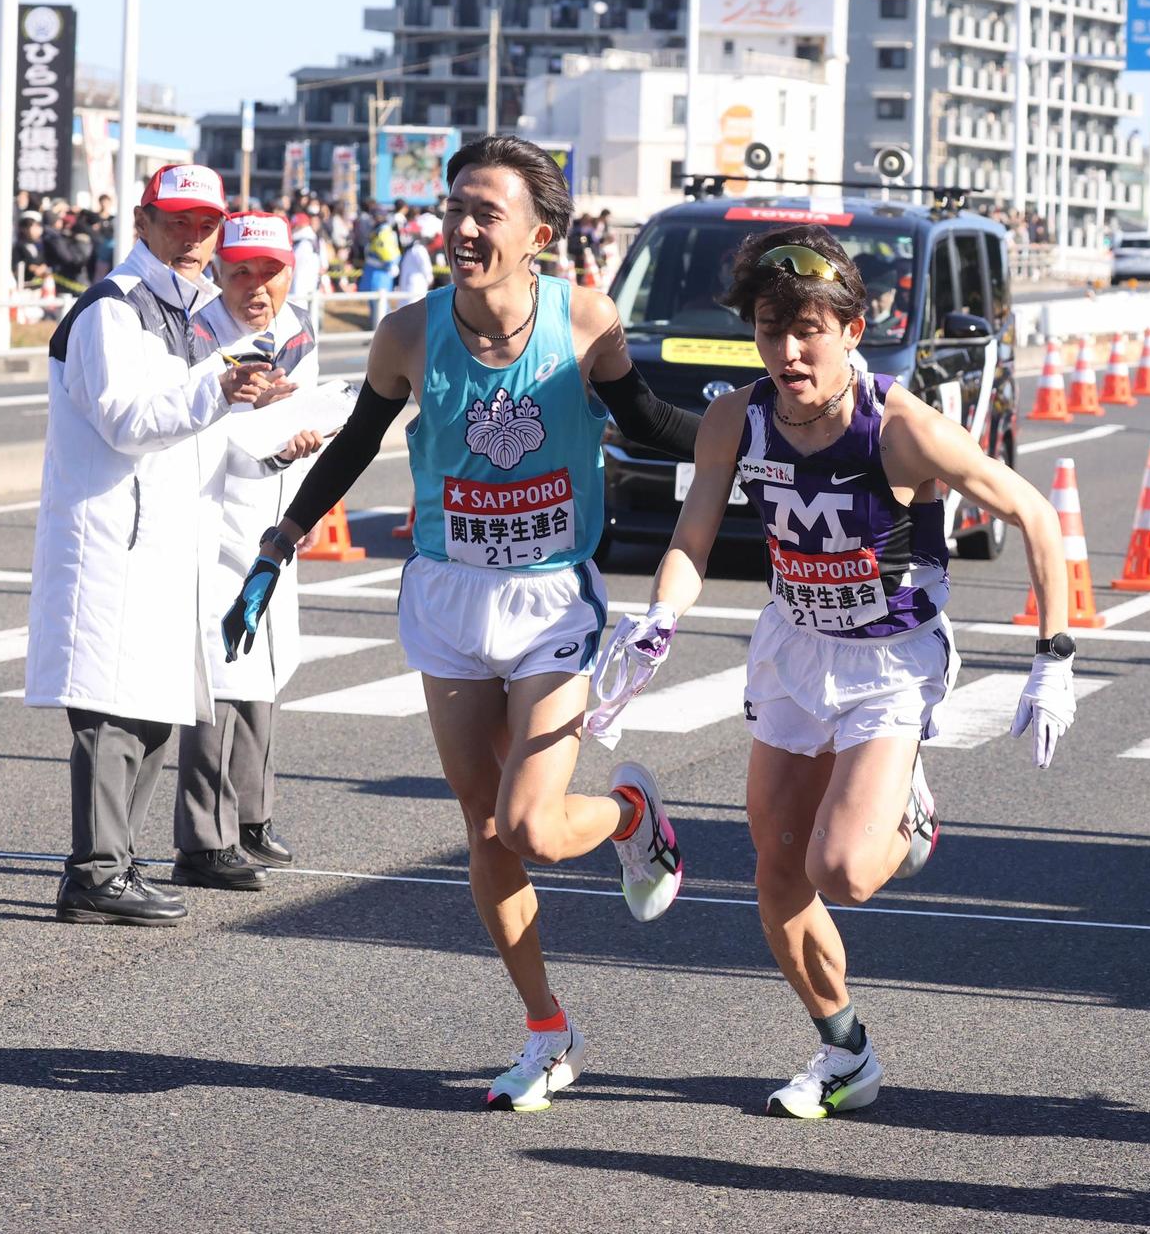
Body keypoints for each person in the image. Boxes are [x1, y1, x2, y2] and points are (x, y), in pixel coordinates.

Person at [221, 134, 701, 1110]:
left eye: (487, 211)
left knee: (530, 820)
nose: (464, 227)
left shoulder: (586, 321)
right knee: (484, 828)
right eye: (456, 209)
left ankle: (630, 814)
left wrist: (759, 436)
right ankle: (544, 1030)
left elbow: (649, 422)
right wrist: (282, 537)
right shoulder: (407, 332)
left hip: (549, 597)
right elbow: (359, 440)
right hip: (446, 593)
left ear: (538, 233)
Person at [616, 226, 1074, 1118]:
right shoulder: (735, 417)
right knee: (776, 874)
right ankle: (845, 1053)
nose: (787, 351)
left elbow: (1034, 514)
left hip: (889, 662)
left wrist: (1051, 662)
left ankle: (909, 801)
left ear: (852, 331)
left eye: (808, 331)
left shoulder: (901, 428)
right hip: (793, 647)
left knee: (846, 870)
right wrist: (659, 620)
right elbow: (694, 537)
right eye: (769, 329)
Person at [24, 162, 272, 926]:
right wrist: (219, 389)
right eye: (177, 222)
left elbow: (190, 427)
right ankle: (95, 871)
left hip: (160, 542)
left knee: (153, 710)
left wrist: (257, 410)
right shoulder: (113, 309)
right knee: (110, 712)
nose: (194, 237)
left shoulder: (188, 309)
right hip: (111, 542)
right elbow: (127, 420)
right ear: (141, 220)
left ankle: (116, 866)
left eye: (205, 224)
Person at [173, 212, 323, 891]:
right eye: (240, 272)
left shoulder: (296, 330)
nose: (255, 287)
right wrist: (266, 432)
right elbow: (204, 433)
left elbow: (305, 414)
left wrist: (301, 452)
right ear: (218, 272)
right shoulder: (199, 334)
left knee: (265, 666)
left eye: (269, 272)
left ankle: (252, 817)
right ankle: (204, 840)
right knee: (221, 672)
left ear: (290, 271)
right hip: (213, 516)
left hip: (271, 516)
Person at [287, 211, 322, 307]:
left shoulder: (303, 244)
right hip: (313, 287)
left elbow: (294, 268)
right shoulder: (314, 240)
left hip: (299, 291)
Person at [12, 212, 49, 287]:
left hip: (42, 287)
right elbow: (14, 266)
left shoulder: (45, 245)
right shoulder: (18, 246)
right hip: (24, 287)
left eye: (37, 226)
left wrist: (44, 267)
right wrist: (29, 267)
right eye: (27, 226)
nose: (31, 229)